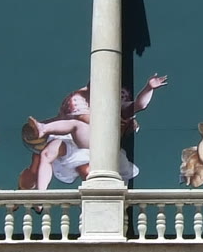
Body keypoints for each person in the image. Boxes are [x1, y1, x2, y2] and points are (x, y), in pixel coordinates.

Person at [21, 75, 168, 189]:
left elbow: (140, 105)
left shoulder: (115, 104)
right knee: (49, 152)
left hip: (101, 144)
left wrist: (149, 87)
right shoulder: (78, 99)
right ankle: (41, 197)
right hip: (77, 141)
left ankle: (44, 128)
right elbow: (84, 119)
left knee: (88, 168)